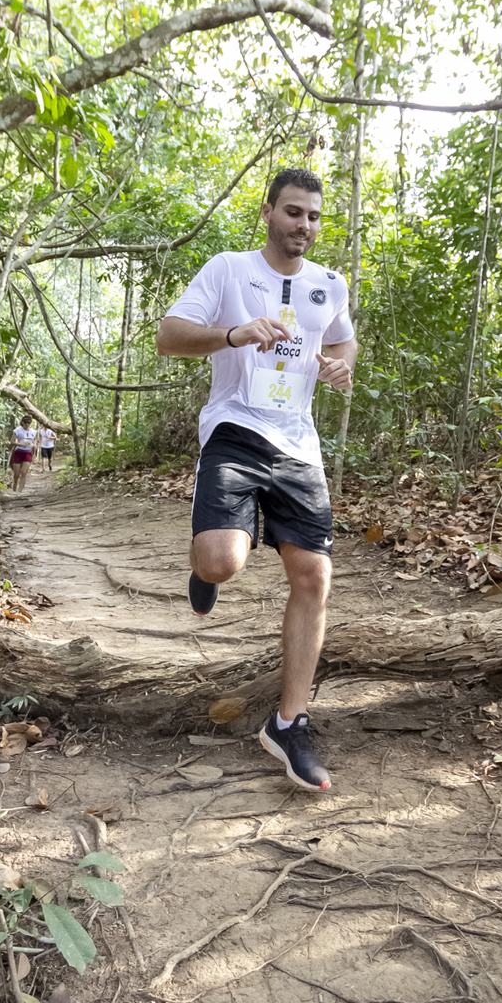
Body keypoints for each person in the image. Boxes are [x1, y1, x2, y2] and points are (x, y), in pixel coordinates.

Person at [155, 166, 357, 792]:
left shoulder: (330, 285)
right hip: (235, 430)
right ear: (268, 212)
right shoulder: (228, 270)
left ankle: (288, 724)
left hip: (299, 444)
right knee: (221, 563)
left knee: (314, 575)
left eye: (314, 216)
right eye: (294, 212)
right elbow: (168, 337)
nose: (305, 225)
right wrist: (232, 334)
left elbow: (344, 345)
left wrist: (338, 368)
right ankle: (205, 564)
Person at [10, 415, 36, 492]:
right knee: (16, 473)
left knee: (24, 472)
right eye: (25, 422)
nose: (27, 424)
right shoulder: (17, 431)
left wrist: (33, 445)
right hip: (18, 452)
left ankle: (20, 491)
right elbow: (12, 442)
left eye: (29, 422)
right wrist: (21, 444)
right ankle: (15, 483)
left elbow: (36, 443)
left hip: (28, 452)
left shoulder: (33, 432)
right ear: (22, 422)